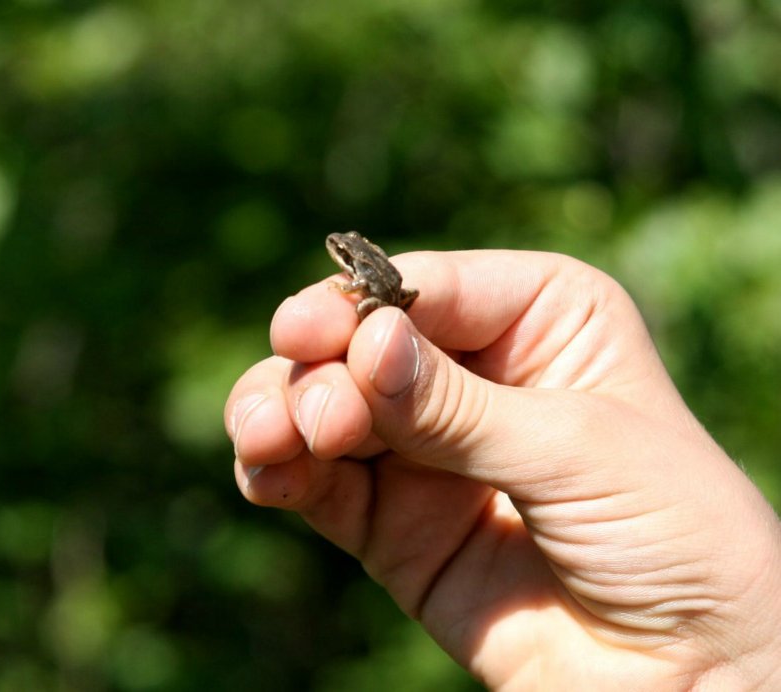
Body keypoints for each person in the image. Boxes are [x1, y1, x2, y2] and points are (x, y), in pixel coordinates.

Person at [223, 249, 781, 690]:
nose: (340, 258)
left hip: (383, 305)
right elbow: (392, 284)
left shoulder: (359, 279)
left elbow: (368, 286)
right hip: (394, 296)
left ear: (348, 257)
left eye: (342, 254)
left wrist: (749, 662)